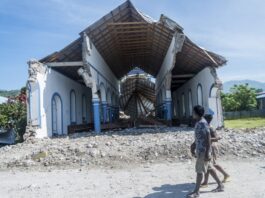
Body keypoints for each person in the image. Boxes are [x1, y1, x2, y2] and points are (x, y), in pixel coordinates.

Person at [187, 105, 224, 198]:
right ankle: (220, 185)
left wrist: (207, 152)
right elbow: (199, 136)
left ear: (196, 113)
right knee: (209, 168)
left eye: (193, 112)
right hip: (200, 149)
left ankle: (196, 192)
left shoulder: (203, 123)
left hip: (203, 151)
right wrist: (193, 145)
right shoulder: (198, 122)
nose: (192, 113)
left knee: (199, 171)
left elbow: (207, 137)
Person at [201, 114, 230, 187]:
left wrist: (207, 139)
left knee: (211, 164)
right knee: (208, 164)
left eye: (203, 119)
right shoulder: (205, 127)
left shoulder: (210, 128)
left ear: (206, 120)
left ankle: (225, 175)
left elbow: (217, 138)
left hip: (212, 147)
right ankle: (205, 182)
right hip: (208, 147)